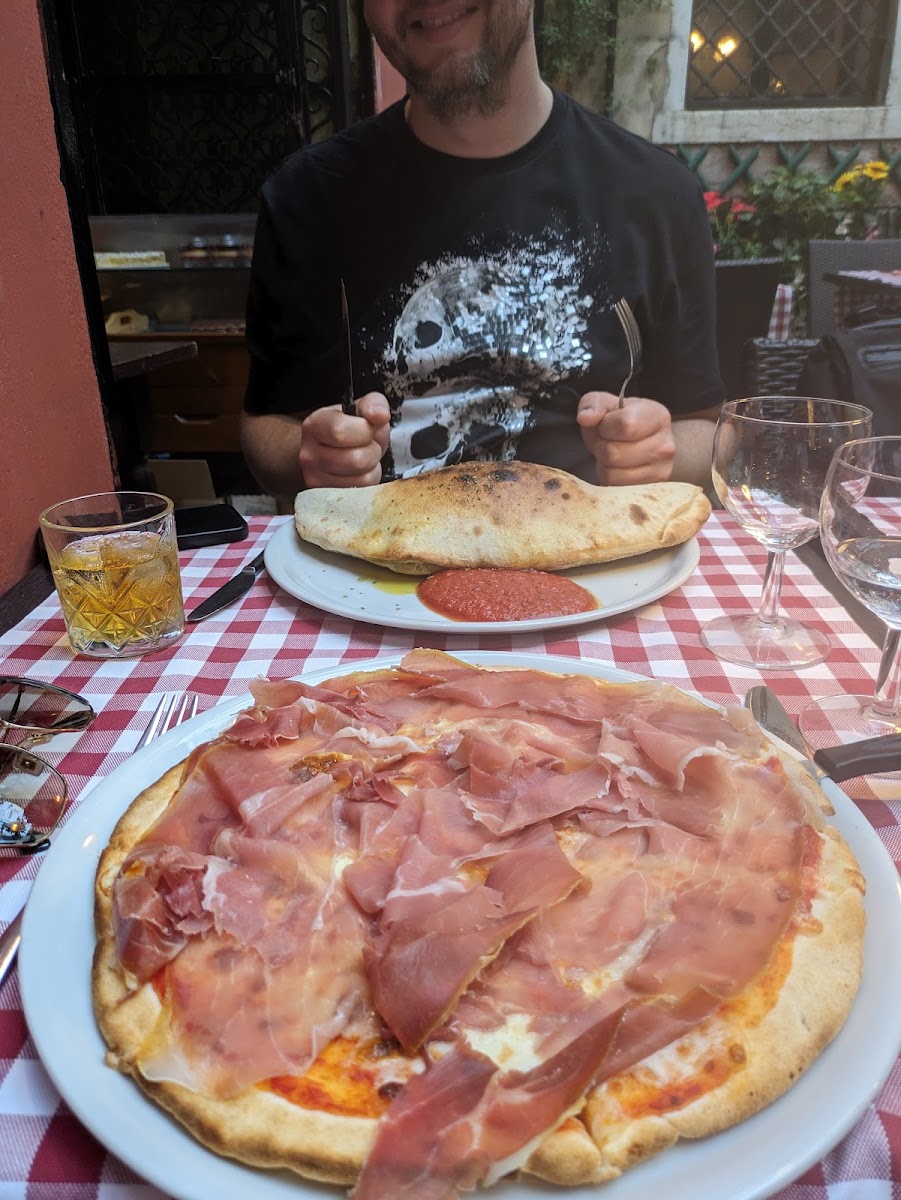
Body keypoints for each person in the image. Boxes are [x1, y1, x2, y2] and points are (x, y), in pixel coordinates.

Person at [241, 0, 723, 510]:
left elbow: (708, 429)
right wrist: (306, 454)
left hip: (594, 567)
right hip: (374, 570)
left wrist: (659, 453)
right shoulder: (305, 197)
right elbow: (265, 427)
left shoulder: (656, 194)